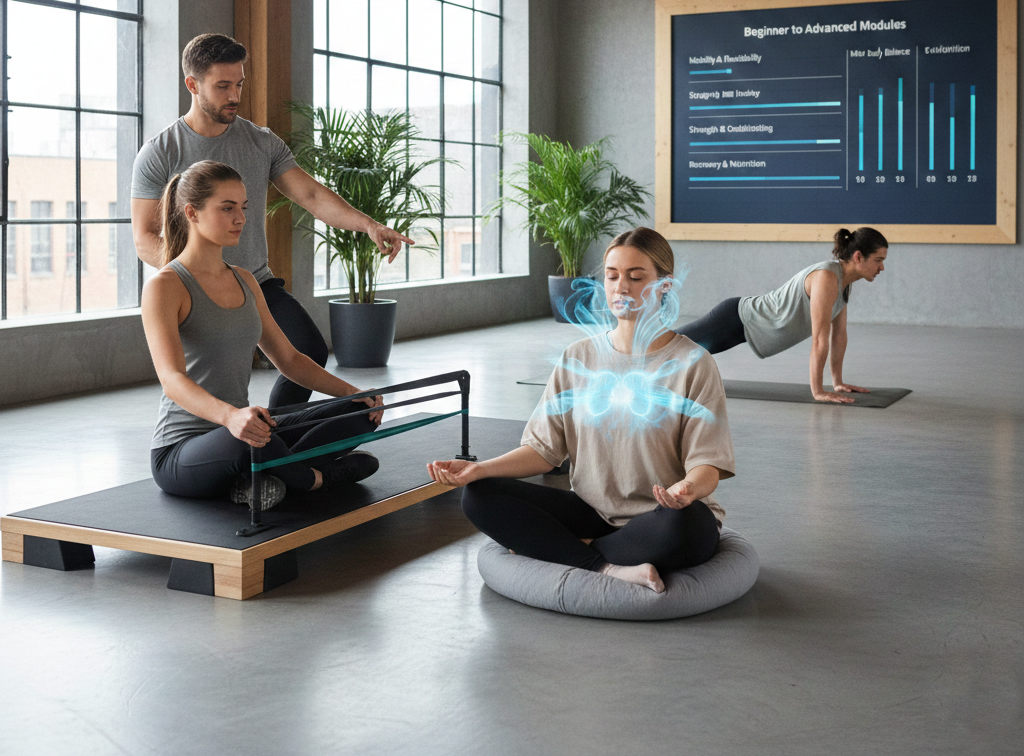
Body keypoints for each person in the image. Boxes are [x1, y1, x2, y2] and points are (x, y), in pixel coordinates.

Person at [427, 227, 735, 594]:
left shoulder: (693, 363)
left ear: (664, 284)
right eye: (612, 275)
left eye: (636, 277)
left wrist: (685, 490)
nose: (622, 287)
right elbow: (543, 452)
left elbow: (708, 465)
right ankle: (606, 565)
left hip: (661, 516)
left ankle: (567, 551)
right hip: (593, 512)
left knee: (691, 527)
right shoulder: (577, 358)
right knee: (479, 495)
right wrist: (479, 469)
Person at [131, 32, 413, 408]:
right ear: (192, 84)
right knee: (209, 378)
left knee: (308, 349)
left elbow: (310, 195)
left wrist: (368, 225)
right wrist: (198, 277)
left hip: (256, 281)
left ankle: (272, 441)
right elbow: (144, 236)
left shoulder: (261, 141)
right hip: (193, 288)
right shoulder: (159, 152)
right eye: (223, 86)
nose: (234, 95)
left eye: (239, 84)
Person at [142, 160, 385, 510]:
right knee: (250, 439)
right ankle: (313, 480)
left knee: (356, 412)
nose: (241, 219)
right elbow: (172, 379)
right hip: (182, 451)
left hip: (247, 431)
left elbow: (289, 360)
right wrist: (230, 417)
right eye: (227, 209)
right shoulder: (166, 286)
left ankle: (264, 477)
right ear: (192, 213)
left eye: (243, 207)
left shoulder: (245, 279)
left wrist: (355, 392)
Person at [675, 226, 889, 405]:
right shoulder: (826, 277)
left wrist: (838, 382)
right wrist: (818, 391)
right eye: (878, 260)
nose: (882, 267)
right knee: (664, 345)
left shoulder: (844, 284)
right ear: (858, 256)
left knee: (675, 356)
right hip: (737, 319)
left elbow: (839, 335)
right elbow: (820, 338)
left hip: (748, 330)